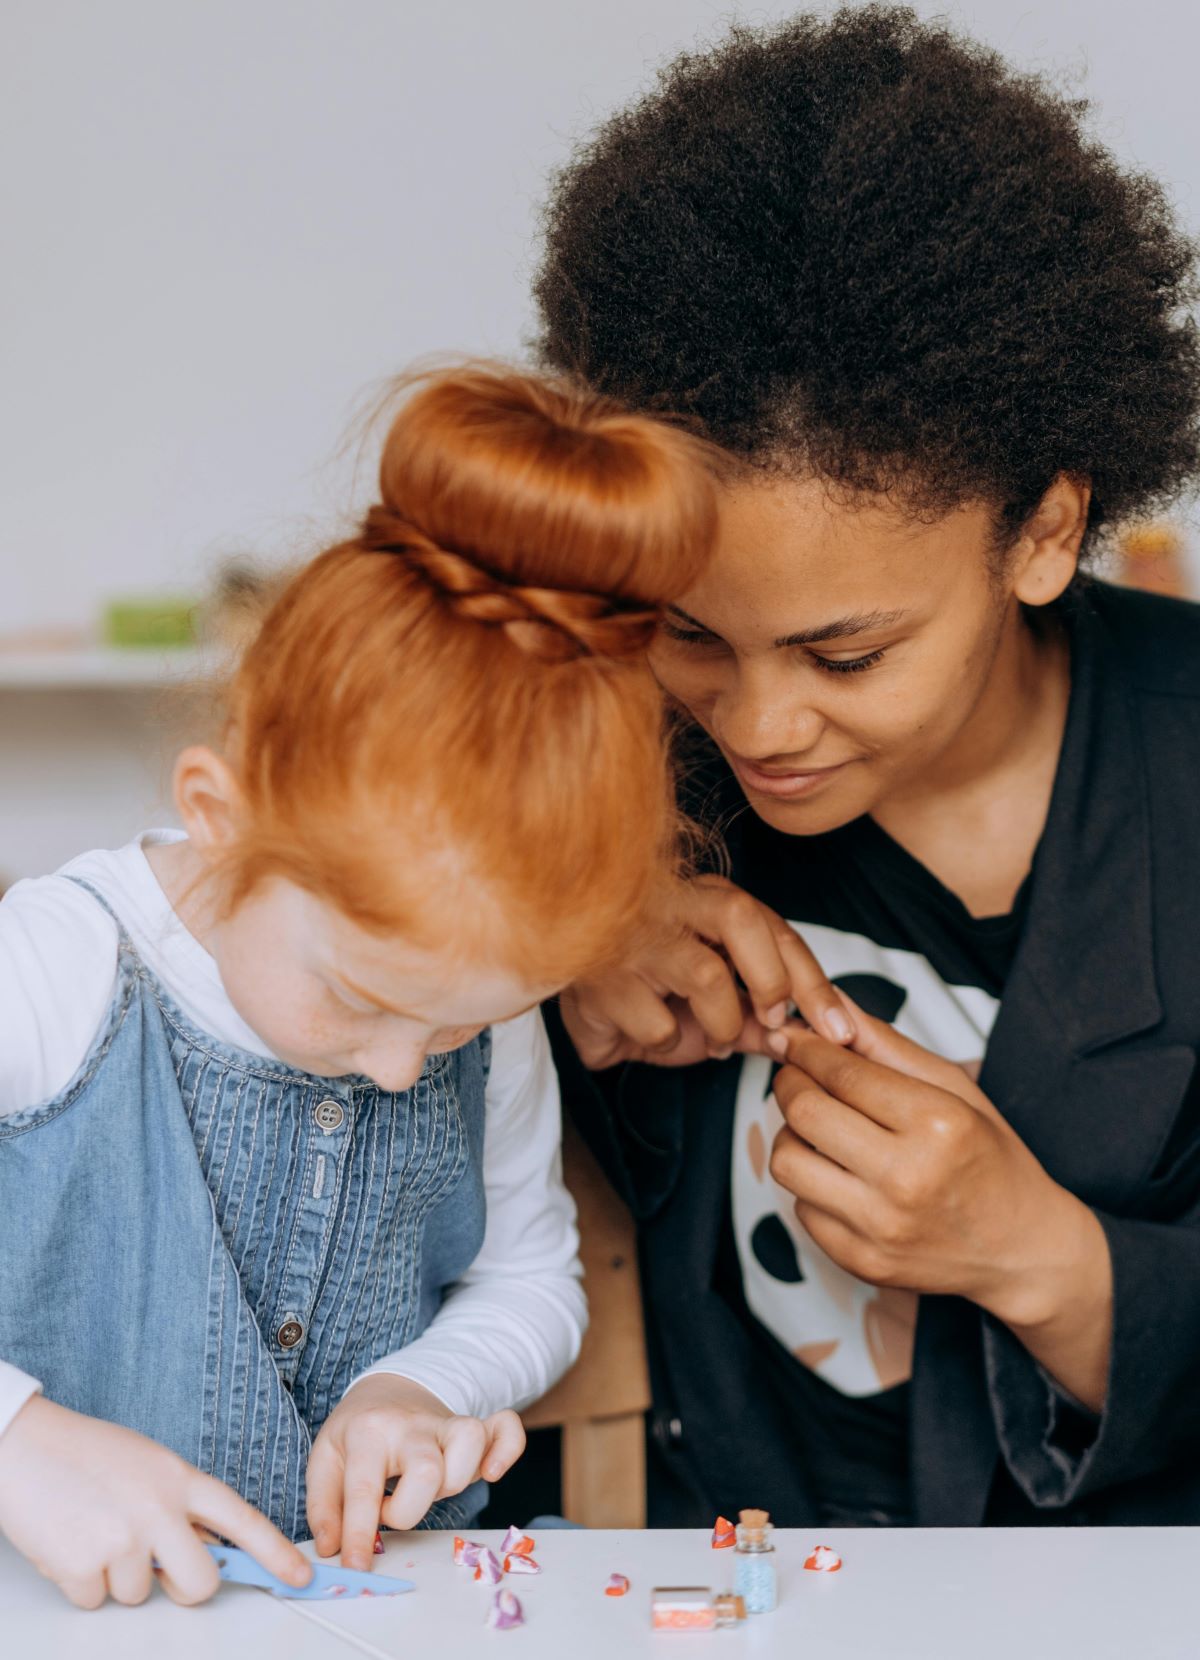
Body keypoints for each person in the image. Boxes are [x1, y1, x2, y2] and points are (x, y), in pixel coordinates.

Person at [536, 5, 1200, 1526]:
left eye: (847, 657)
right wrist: (550, 925)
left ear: (1039, 534)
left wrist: (1039, 1254)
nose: (757, 728)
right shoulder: (574, 745)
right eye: (690, 634)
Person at [0, 365, 719, 1605]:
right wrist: (19, 1441)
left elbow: (529, 1279)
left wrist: (425, 1387)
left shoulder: (476, 1015)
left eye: (466, 1023)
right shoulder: (59, 965)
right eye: (358, 996)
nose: (405, 1068)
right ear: (219, 820)